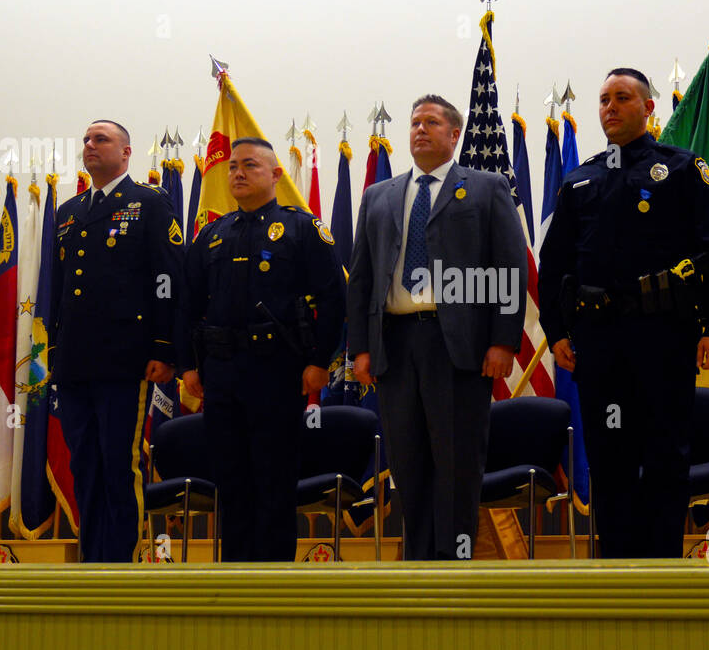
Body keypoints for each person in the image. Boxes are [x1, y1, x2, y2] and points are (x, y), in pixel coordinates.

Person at [538, 68, 709, 558]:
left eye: (622, 98)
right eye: (603, 99)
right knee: (610, 458)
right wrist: (556, 329)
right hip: (600, 343)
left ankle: (662, 571)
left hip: (663, 338)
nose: (610, 107)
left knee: (666, 457)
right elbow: (555, 262)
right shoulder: (580, 179)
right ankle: (617, 572)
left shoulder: (684, 170)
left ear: (649, 108)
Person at [348, 95, 528, 560]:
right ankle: (417, 569)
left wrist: (503, 340)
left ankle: (453, 571)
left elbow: (509, 267)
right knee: (408, 465)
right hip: (395, 342)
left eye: (431, 123)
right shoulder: (378, 195)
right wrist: (360, 349)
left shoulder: (486, 188)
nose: (420, 130)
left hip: (459, 346)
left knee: (456, 465)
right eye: (414, 123)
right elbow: (362, 277)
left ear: (454, 135)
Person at [178, 138, 345, 561]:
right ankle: (233, 579)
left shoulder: (302, 229)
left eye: (249, 165)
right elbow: (187, 304)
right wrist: (188, 367)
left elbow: (333, 298)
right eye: (232, 166)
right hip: (220, 372)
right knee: (230, 481)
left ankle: (273, 581)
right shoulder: (212, 235)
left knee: (273, 480)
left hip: (277, 370)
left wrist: (319, 360)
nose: (237, 173)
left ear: (275, 175)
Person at [51, 119, 183, 562]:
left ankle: (121, 565)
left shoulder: (149, 202)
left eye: (100, 139)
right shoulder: (67, 212)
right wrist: (53, 350)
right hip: (74, 362)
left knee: (118, 465)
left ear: (126, 153)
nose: (90, 145)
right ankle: (93, 561)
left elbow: (167, 278)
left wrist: (165, 347)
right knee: (83, 464)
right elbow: (58, 286)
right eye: (85, 139)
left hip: (125, 359)